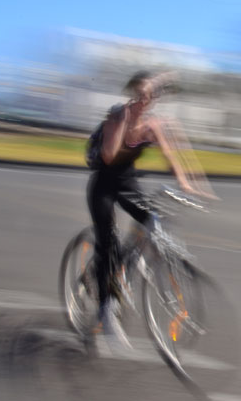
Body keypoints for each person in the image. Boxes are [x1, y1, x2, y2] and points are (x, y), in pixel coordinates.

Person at [86, 70, 213, 349]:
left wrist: (186, 186)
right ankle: (107, 309)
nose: (146, 100)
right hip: (103, 185)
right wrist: (124, 123)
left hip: (127, 183)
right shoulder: (118, 115)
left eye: (151, 95)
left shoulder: (152, 124)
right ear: (132, 93)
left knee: (152, 221)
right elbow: (108, 155)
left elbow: (170, 156)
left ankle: (130, 267)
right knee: (107, 242)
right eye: (141, 94)